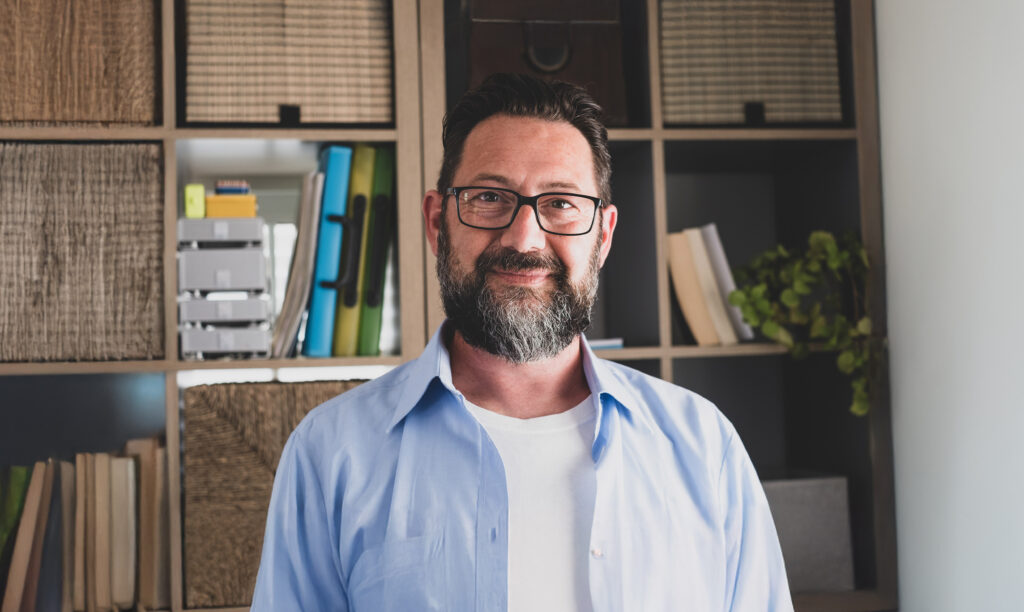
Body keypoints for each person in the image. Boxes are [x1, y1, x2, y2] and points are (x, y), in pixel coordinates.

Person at [251, 73, 793, 611]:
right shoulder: (331, 454)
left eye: (560, 203)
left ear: (602, 236)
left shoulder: (704, 448)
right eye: (489, 197)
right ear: (438, 222)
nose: (523, 238)